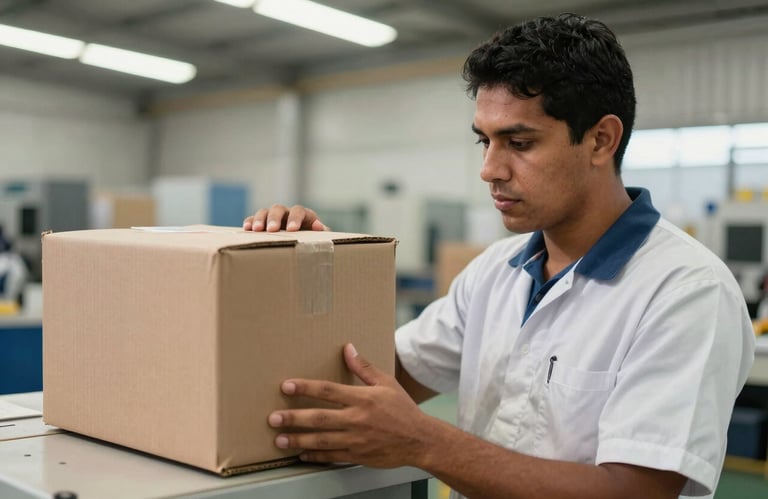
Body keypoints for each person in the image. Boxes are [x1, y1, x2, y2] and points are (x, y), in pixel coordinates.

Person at [243, 13, 755, 499]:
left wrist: (424, 442)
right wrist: (316, 269)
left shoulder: (685, 291)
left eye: (519, 142)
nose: (489, 169)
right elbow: (375, 378)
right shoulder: (496, 272)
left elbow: (636, 492)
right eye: (484, 141)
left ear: (601, 139)